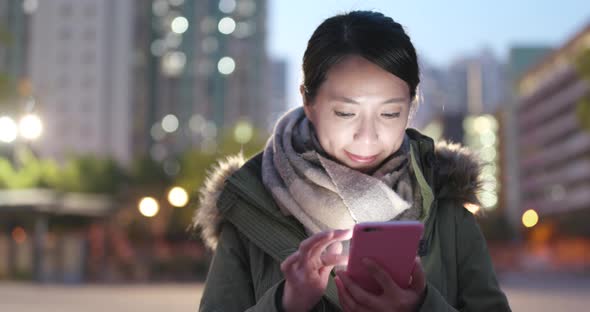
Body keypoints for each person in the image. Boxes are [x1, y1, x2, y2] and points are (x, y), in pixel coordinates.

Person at [193, 10, 512, 312]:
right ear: (308, 100)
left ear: (412, 105)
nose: (367, 136)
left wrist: (421, 306)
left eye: (390, 113)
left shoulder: (445, 207)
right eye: (345, 113)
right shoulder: (252, 204)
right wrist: (285, 303)